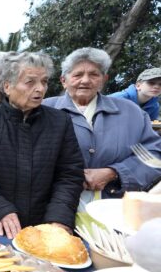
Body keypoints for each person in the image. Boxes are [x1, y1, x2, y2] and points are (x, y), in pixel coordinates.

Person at [0, 52, 84, 239]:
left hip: (45, 229)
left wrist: (59, 218)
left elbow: (70, 174)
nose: (40, 89)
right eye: (30, 82)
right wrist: (0, 208)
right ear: (7, 86)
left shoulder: (60, 122)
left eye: (44, 82)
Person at [43, 48, 161, 208]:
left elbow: (153, 156)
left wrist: (114, 172)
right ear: (63, 80)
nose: (85, 80)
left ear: (104, 79)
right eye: (77, 75)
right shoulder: (43, 110)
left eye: (94, 74)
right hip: (52, 207)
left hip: (113, 209)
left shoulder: (132, 113)